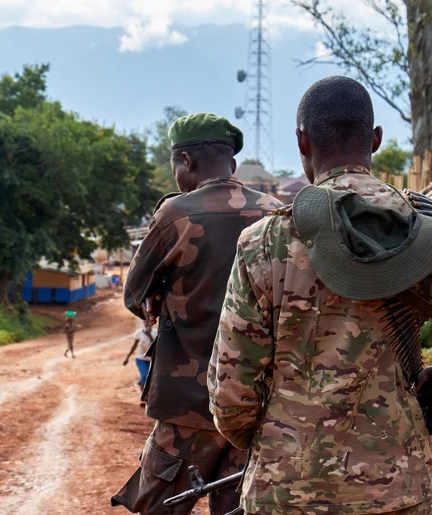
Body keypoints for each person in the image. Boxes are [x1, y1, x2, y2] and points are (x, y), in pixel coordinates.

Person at [208, 77, 432, 515]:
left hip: (287, 492)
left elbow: (232, 393)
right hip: (398, 489)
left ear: (302, 142)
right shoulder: (430, 228)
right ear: (376, 139)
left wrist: (279, 448)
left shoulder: (263, 241)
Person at [111, 113, 283, 515]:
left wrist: (160, 298)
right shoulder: (276, 212)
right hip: (259, 401)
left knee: (160, 506)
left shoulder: (175, 214)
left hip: (188, 401)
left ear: (185, 160)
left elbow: (134, 294)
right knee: (237, 507)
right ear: (232, 164)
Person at [124, 319, 157, 389]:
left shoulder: (156, 333)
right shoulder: (139, 333)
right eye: (145, 322)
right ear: (143, 323)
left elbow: (155, 346)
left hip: (152, 360)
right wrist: (127, 357)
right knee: (144, 376)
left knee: (153, 378)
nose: (147, 324)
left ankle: (148, 392)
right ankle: (142, 391)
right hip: (141, 358)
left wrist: (149, 335)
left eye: (148, 322)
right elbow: (134, 346)